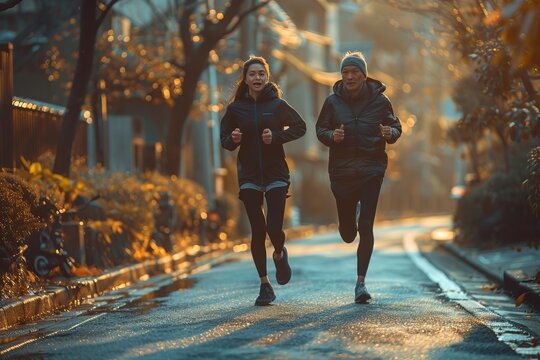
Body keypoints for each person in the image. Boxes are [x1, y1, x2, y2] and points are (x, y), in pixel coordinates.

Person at [316, 51, 402, 304]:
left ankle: (361, 283)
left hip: (371, 169)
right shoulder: (332, 102)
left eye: (354, 72)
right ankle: (346, 220)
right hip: (341, 172)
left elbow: (396, 127)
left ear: (364, 76)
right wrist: (333, 136)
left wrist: (390, 133)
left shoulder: (380, 101)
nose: (350, 76)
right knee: (347, 233)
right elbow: (320, 129)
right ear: (341, 76)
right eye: (345, 72)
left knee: (366, 225)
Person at [220, 56, 306, 306]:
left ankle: (279, 254)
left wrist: (277, 136)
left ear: (267, 78)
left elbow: (300, 127)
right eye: (253, 74)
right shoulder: (236, 109)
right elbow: (224, 139)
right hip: (248, 175)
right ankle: (265, 284)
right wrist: (233, 138)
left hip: (276, 173)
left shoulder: (277, 105)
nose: (257, 78)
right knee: (257, 229)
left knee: (274, 228)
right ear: (245, 79)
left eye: (262, 74)